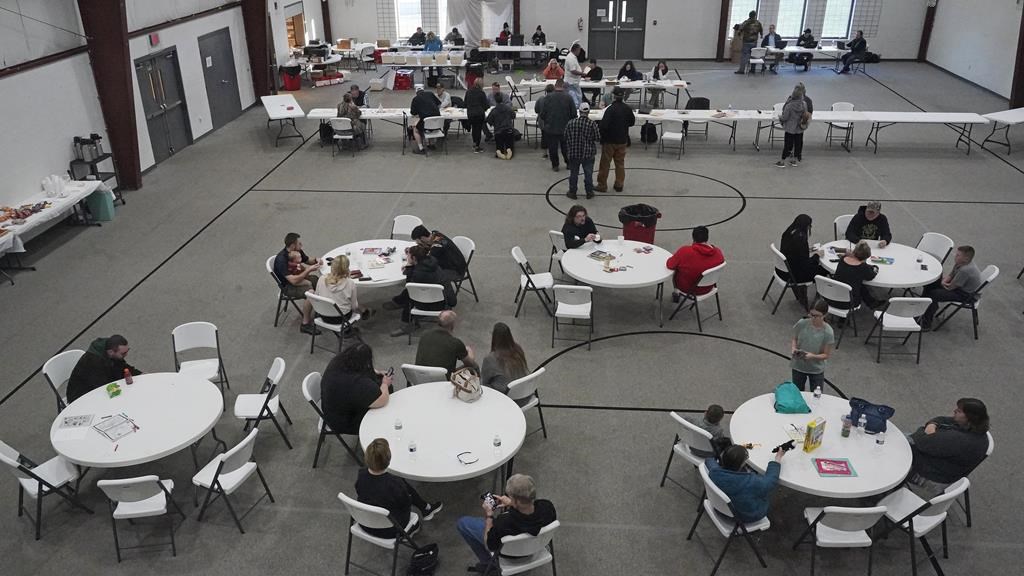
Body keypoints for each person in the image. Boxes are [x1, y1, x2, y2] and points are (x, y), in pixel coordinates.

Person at [457, 474, 557, 573]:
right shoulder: (547, 507)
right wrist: (512, 503)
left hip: (509, 555)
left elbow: (489, 546)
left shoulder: (503, 522)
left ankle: (489, 565)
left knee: (463, 523)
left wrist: (489, 516)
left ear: (516, 501)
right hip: (536, 548)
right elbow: (528, 517)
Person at [357, 438, 442, 537]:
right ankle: (425, 509)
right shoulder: (394, 483)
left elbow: (360, 492)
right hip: (391, 529)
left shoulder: (361, 475)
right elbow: (406, 503)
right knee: (402, 488)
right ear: (389, 458)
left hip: (365, 523)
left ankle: (425, 507)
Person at [907, 398, 990, 497]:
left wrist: (925, 429)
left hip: (931, 477)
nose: (954, 411)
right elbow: (942, 419)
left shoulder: (960, 440)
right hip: (945, 469)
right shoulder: (977, 432)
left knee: (894, 448)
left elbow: (920, 440)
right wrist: (932, 424)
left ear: (969, 417)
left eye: (959, 411)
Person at [320, 343, 392, 435]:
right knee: (382, 409)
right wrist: (385, 384)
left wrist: (378, 372)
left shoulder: (337, 362)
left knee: (377, 380)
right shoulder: (356, 383)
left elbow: (363, 369)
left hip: (331, 410)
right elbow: (382, 400)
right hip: (343, 422)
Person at [706, 444, 784, 523]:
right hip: (744, 516)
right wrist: (777, 460)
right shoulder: (751, 482)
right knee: (764, 493)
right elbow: (770, 481)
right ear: (742, 464)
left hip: (719, 508)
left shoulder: (714, 472)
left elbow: (709, 460)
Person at [389, 245, 452, 337]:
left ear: (414, 258)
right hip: (444, 298)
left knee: (411, 294)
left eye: (408, 256)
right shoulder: (431, 262)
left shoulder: (419, 273)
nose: (407, 257)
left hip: (433, 303)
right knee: (412, 291)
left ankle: (406, 325)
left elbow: (409, 284)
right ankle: (398, 301)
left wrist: (409, 267)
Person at [920, 246, 983, 330]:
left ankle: (926, 323)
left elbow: (950, 288)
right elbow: (951, 275)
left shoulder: (965, 270)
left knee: (934, 294)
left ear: (966, 258)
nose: (955, 256)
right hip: (959, 286)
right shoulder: (961, 263)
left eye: (958, 255)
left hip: (966, 295)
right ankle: (922, 306)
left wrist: (942, 283)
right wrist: (942, 281)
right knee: (931, 283)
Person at [66, 335, 142, 403]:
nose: (126, 354)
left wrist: (141, 375)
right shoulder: (93, 362)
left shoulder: (110, 350)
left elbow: (123, 367)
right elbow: (103, 388)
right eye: (123, 353)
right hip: (81, 397)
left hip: (99, 386)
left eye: (127, 351)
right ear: (111, 352)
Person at [273, 232, 322, 334]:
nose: (301, 245)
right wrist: (308, 270)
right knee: (310, 293)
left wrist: (316, 260)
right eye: (299, 243)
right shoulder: (281, 260)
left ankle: (320, 308)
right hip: (288, 286)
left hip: (297, 279)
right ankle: (305, 324)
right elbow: (293, 280)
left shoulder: (297, 251)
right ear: (293, 245)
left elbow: (308, 260)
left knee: (317, 280)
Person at [666, 225, 725, 301]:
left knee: (677, 269)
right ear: (707, 238)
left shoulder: (685, 251)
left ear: (693, 238)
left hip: (689, 289)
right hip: (708, 287)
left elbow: (670, 265)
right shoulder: (718, 253)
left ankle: (676, 293)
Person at [414, 310, 477, 377]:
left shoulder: (424, 335)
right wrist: (470, 352)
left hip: (420, 379)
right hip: (442, 381)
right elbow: (470, 364)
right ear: (452, 326)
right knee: (474, 367)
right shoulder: (455, 343)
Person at [314, 255, 375, 323]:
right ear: (347, 268)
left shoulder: (322, 278)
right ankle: (364, 311)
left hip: (323, 315)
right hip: (342, 318)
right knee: (348, 302)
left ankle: (364, 310)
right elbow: (354, 307)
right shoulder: (350, 283)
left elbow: (317, 297)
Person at [790, 299, 834, 392]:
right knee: (797, 392)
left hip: (816, 368)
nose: (813, 318)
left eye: (817, 316)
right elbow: (795, 338)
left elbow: (826, 355)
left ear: (825, 315)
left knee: (816, 394)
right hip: (799, 365)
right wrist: (793, 348)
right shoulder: (802, 323)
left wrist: (812, 356)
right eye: (811, 315)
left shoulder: (828, 332)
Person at [596, 88, 635, 193]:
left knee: (605, 164)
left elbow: (603, 126)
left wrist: (602, 137)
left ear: (613, 96)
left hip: (609, 141)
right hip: (622, 140)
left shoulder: (610, 109)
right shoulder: (627, 108)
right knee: (620, 163)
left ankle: (602, 185)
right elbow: (632, 122)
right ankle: (619, 184)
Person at [480, 322, 530, 403]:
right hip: (524, 395)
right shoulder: (518, 349)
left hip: (507, 400)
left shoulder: (490, 359)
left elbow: (484, 382)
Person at [779, 214, 821, 309]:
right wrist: (817, 255)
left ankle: (801, 294)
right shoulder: (801, 240)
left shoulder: (788, 233)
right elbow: (805, 264)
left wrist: (807, 250)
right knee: (823, 271)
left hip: (784, 269)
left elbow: (794, 251)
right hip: (795, 274)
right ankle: (817, 303)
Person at [564, 101, 600, 199]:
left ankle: (572, 192)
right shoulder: (592, 124)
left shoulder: (571, 123)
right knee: (588, 174)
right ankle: (589, 192)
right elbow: (597, 138)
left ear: (579, 112)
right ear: (588, 112)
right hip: (588, 154)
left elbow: (565, 136)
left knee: (573, 174)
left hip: (573, 153)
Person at [538, 79, 576, 172]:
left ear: (555, 86)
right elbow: (574, 114)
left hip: (551, 128)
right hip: (565, 127)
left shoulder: (548, 98)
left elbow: (542, 114)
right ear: (563, 86)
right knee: (566, 147)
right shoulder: (569, 97)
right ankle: (568, 163)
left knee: (553, 148)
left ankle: (555, 165)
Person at [830, 241, 879, 310]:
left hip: (832, 296)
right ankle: (872, 303)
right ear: (865, 257)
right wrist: (876, 268)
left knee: (855, 282)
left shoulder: (843, 259)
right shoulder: (862, 267)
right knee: (858, 285)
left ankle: (871, 302)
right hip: (849, 302)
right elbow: (870, 276)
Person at [775, 84, 809, 168]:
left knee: (787, 145)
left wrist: (780, 117)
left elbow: (785, 117)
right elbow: (805, 114)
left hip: (790, 129)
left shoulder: (789, 105)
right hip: (799, 129)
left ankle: (782, 161)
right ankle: (794, 161)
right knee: (797, 144)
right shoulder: (804, 104)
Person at [409, 86, 441, 155]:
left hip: (426, 122)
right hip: (438, 122)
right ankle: (432, 144)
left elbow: (413, 113)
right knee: (432, 126)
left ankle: (421, 148)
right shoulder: (430, 94)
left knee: (415, 129)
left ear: (416, 93)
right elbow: (439, 104)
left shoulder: (415, 99)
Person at [487, 92, 516, 160]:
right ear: (502, 99)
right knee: (509, 144)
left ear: (495, 100)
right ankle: (509, 151)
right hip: (509, 130)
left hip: (498, 131)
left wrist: (494, 122)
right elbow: (513, 116)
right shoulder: (508, 108)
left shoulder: (494, 110)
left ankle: (499, 152)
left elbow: (489, 121)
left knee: (499, 145)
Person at [736, 10, 763, 75]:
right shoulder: (758, 23)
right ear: (755, 15)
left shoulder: (746, 22)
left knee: (744, 56)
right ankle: (752, 70)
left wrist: (739, 35)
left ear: (749, 15)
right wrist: (761, 35)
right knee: (754, 56)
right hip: (754, 42)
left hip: (746, 42)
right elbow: (761, 32)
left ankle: (741, 70)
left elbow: (740, 30)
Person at [465, 79, 488, 153]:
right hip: (479, 113)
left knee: (474, 129)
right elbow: (486, 105)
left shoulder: (468, 92)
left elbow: (465, 103)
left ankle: (474, 143)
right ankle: (477, 146)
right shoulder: (481, 93)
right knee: (478, 130)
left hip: (471, 113)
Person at [535, 83, 556, 156]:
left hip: (542, 121)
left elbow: (536, 110)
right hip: (552, 122)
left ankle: (544, 153)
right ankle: (553, 151)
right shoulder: (556, 100)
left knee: (544, 136)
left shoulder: (540, 99)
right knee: (553, 137)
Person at [562, 43, 585, 107]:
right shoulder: (571, 58)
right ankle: (576, 111)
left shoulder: (572, 57)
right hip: (571, 82)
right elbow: (573, 71)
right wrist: (582, 73)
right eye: (579, 50)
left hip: (573, 82)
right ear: (576, 49)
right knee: (576, 100)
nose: (580, 52)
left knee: (577, 97)